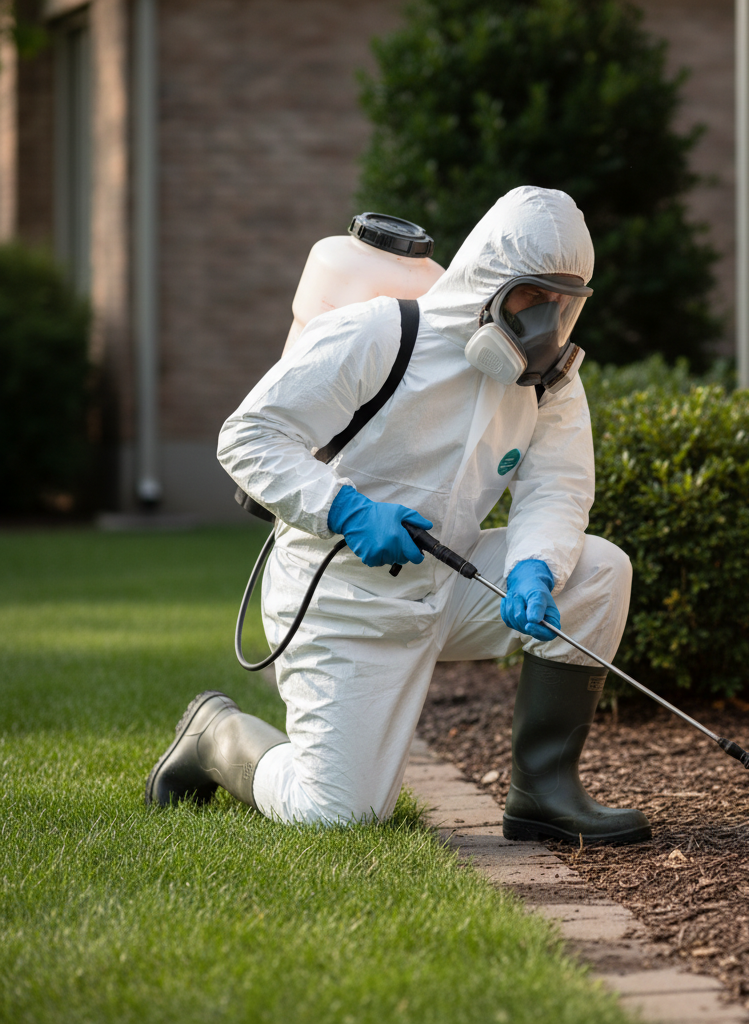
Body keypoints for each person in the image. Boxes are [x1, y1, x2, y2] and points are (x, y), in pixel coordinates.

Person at [146, 186, 651, 845]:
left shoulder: (549, 379)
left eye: (564, 303)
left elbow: (557, 486)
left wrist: (535, 567)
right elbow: (248, 437)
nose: (547, 323)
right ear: (490, 282)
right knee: (337, 814)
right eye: (532, 297)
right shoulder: (381, 334)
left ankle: (543, 795)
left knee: (598, 571)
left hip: (449, 583)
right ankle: (216, 735)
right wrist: (346, 509)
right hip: (343, 602)